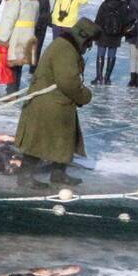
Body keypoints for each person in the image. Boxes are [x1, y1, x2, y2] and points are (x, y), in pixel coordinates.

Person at [14, 17, 99, 188]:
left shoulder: (65, 45)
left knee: (64, 140)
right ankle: (25, 176)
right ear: (83, 37)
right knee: (38, 141)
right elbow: (68, 81)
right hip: (48, 104)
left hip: (56, 102)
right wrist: (85, 96)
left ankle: (58, 174)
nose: (89, 47)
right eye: (89, 42)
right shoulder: (65, 50)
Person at [0, 0, 40, 93]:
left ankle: (11, 92)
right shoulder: (34, 1)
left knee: (11, 64)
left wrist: (0, 38)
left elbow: (8, 21)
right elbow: (36, 18)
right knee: (19, 63)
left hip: (16, 36)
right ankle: (15, 89)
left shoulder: (15, 0)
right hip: (28, 36)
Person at [92, 0, 130, 85]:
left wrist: (95, 33)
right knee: (112, 55)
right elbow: (126, 21)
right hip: (116, 35)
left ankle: (99, 77)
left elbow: (98, 20)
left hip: (103, 33)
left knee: (101, 53)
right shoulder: (123, 6)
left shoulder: (104, 4)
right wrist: (122, 32)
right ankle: (107, 78)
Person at [32, 0, 51, 64]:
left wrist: (48, 20)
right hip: (33, 25)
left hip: (43, 25)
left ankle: (34, 69)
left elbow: (47, 8)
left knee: (38, 48)